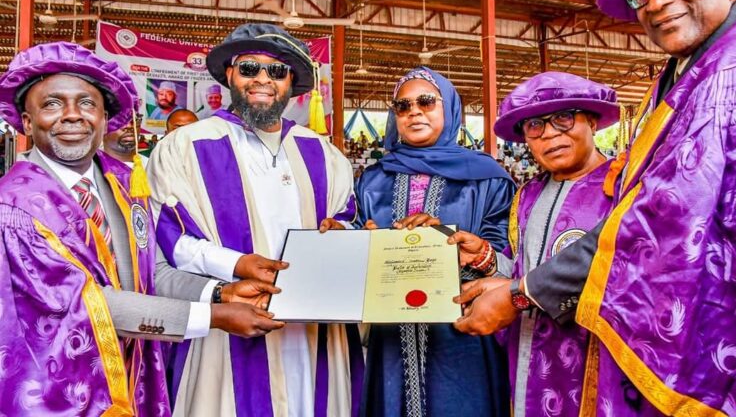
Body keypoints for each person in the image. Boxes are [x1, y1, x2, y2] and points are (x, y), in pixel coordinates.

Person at [455, 0, 736, 415]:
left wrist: (520, 294)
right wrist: (497, 270)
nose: (656, 2)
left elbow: (662, 219)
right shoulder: (691, 69)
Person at [0, 42, 286, 415]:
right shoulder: (16, 207)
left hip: (133, 378)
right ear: (26, 122)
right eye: (52, 104)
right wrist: (214, 317)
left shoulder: (124, 183)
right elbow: (87, 304)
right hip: (57, 393)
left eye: (86, 103)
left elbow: (153, 273)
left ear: (104, 118)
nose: (72, 115)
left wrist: (221, 292)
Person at [147, 23, 362, 417]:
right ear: (229, 74)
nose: (263, 79)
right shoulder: (185, 146)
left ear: (291, 82)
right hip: (228, 317)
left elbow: (347, 219)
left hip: (313, 329)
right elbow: (171, 238)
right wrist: (238, 265)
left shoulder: (324, 153)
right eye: (249, 68)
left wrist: (341, 234)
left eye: (276, 71)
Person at [353, 67, 514, 416]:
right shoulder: (373, 179)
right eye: (403, 105)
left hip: (463, 329)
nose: (414, 112)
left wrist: (451, 243)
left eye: (426, 102)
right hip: (391, 333)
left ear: (449, 108)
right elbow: (358, 237)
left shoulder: (487, 177)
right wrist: (359, 241)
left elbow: (506, 251)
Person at [466, 72, 619, 417]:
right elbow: (520, 271)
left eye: (563, 118)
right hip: (526, 356)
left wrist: (517, 295)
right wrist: (486, 258)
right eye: (534, 126)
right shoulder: (528, 195)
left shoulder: (621, 188)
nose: (549, 133)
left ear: (592, 121)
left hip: (593, 361)